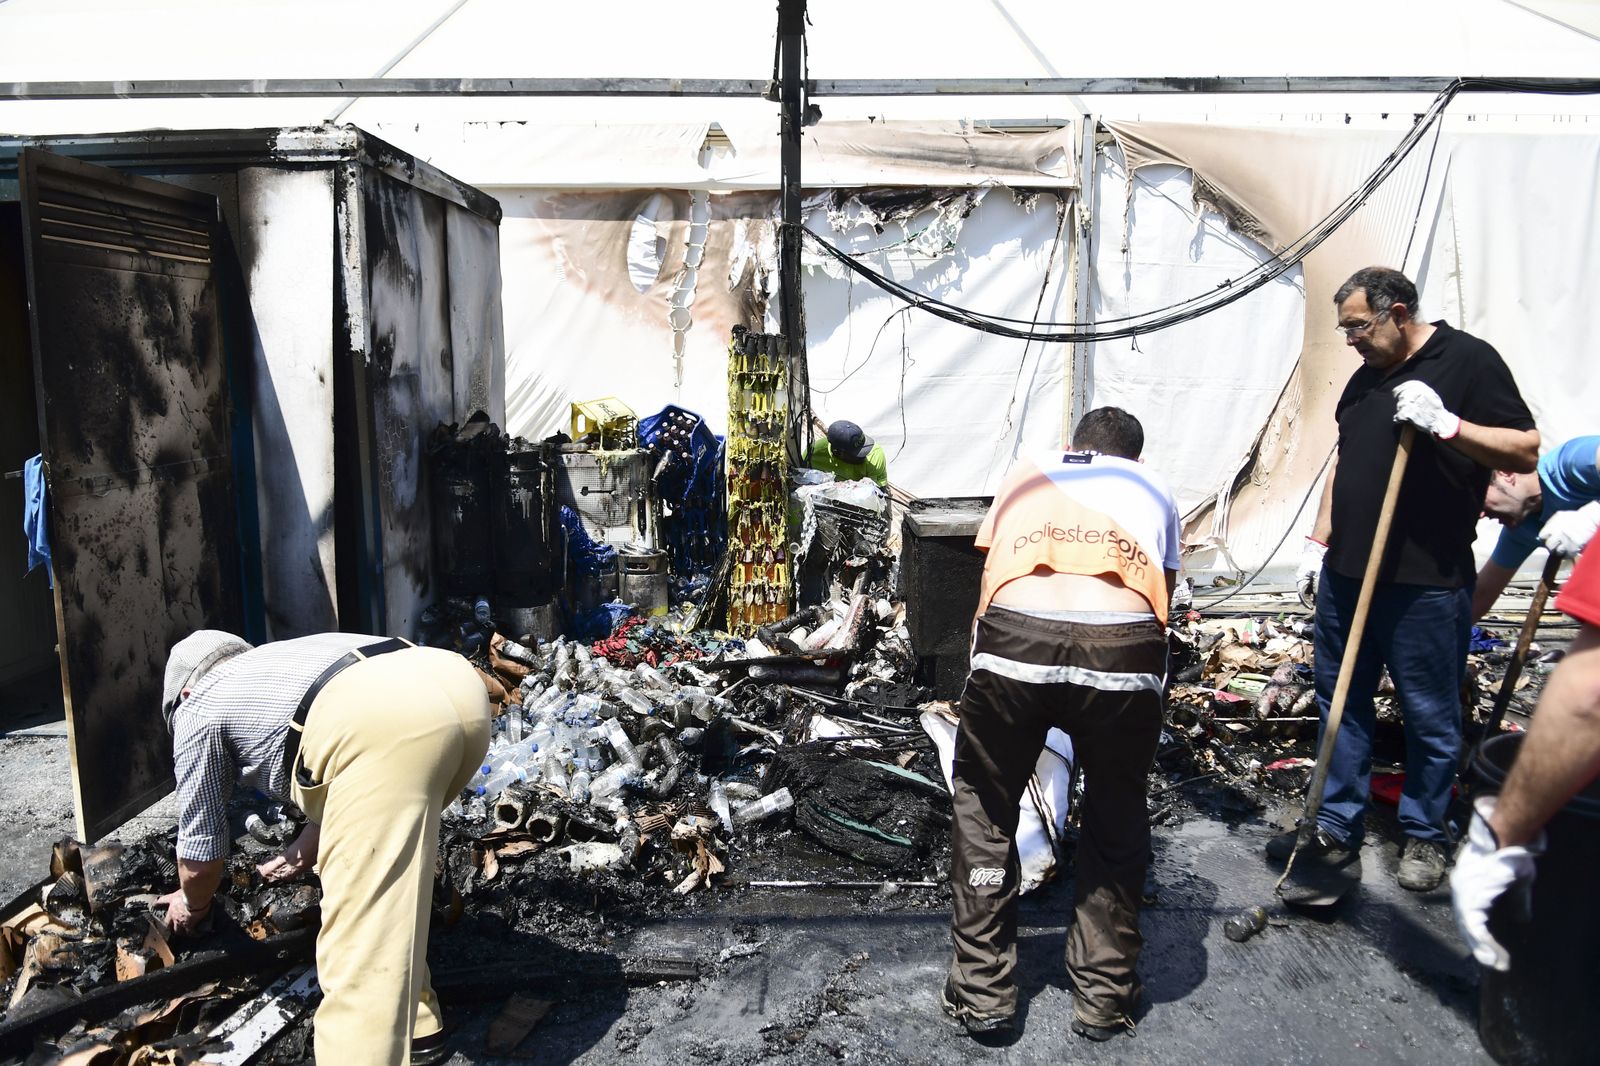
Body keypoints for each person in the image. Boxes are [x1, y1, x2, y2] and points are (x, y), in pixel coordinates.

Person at [1282, 267, 1539, 893]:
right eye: (1345, 331)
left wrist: (1449, 426)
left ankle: (1425, 833)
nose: (1352, 342)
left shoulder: (1469, 362)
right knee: (1340, 700)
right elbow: (1345, 461)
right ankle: (1336, 822)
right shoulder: (1365, 378)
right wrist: (1321, 541)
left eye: (1360, 327)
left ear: (1398, 312)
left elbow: (1525, 449)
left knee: (1429, 711)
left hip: (1426, 581)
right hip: (1348, 576)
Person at [940, 407, 1180, 1041]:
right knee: (1115, 810)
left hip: (1015, 645)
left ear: (1073, 445)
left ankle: (984, 990)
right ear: (1134, 456)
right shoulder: (1151, 485)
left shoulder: (1029, 469)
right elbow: (1166, 605)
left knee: (987, 807)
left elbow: (990, 573)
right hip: (1122, 653)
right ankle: (1103, 998)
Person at [155, 631, 491, 1066]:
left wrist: (192, 905)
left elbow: (200, 853)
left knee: (357, 941)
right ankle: (418, 1029)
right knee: (393, 893)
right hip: (457, 691)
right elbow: (346, 765)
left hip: (387, 725)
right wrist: (298, 852)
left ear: (183, 690)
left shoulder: (197, 706)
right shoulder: (271, 663)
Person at [1452, 527, 1600, 970]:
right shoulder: (1522, 529)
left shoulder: (1573, 467)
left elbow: (1591, 694)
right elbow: (1481, 594)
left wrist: (1501, 835)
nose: (1485, 510)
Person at [1472, 435, 1600, 620]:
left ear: (1505, 473)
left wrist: (1592, 518)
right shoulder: (1522, 529)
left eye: (1478, 498)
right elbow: (1481, 596)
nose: (1480, 514)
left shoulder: (1571, 462)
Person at [806, 419, 888, 487]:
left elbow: (879, 491)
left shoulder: (875, 455)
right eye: (857, 454)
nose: (864, 456)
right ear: (837, 452)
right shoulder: (814, 452)